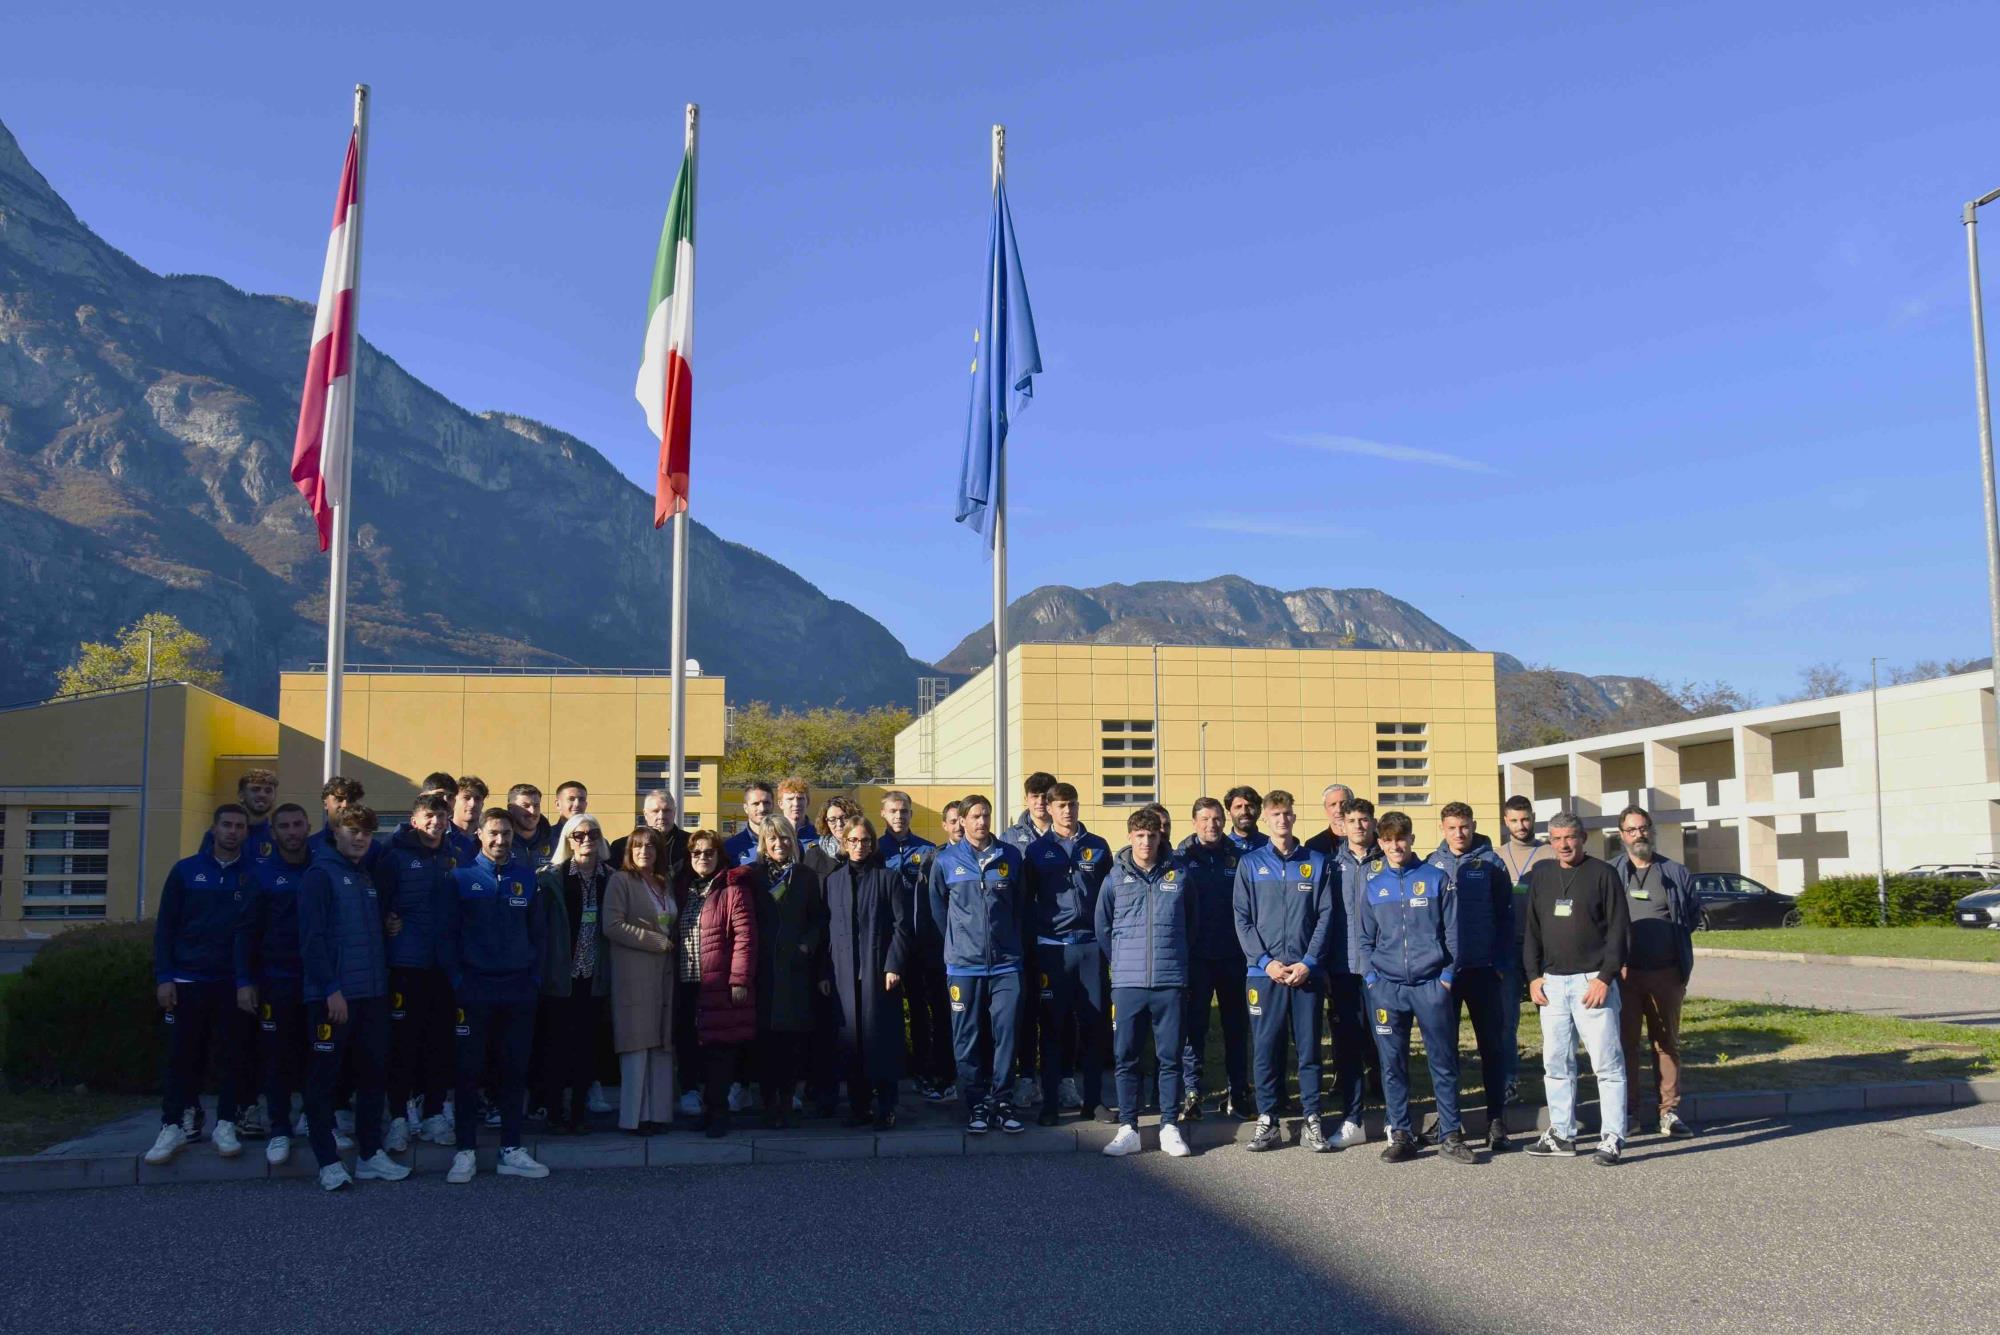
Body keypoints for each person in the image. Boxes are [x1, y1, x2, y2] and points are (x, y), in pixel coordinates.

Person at [299, 806, 409, 1191]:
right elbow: (311, 939)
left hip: (372, 995)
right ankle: (327, 1161)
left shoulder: (365, 876)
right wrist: (331, 989)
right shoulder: (319, 875)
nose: (360, 838)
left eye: (366, 832)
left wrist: (389, 924)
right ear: (335, 832)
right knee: (323, 1081)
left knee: (373, 1075)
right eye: (352, 830)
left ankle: (369, 1156)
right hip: (333, 998)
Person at [441, 807, 550, 1182]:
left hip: (518, 989)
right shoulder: (460, 877)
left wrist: (534, 978)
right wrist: (458, 980)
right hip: (474, 989)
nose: (500, 840)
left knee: (514, 1070)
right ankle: (465, 1151)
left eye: (506, 834)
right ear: (480, 835)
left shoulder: (527, 878)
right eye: (493, 833)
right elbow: (447, 935)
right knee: (468, 1071)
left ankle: (511, 1149)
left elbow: (539, 934)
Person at [1359, 811, 1474, 1165]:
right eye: (1388, 839)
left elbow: (1453, 933)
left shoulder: (1435, 878)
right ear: (1380, 843)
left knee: (1443, 1062)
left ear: (1411, 839)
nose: (1395, 845)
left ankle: (1451, 1135)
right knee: (1392, 1065)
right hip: (1387, 988)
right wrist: (1372, 980)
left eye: (1401, 838)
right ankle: (1401, 1135)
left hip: (1430, 985)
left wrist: (1446, 977)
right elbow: (1364, 939)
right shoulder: (1373, 885)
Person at [146, 804, 256, 1166]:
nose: (232, 831)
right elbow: (166, 928)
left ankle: (226, 1124)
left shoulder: (252, 875)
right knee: (182, 1057)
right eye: (227, 825)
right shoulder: (185, 871)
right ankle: (173, 1125)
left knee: (232, 1056)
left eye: (239, 826)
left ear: (246, 832)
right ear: (214, 828)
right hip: (187, 980)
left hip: (231, 982)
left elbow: (252, 933)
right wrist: (165, 977)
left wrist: (246, 980)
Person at [1523, 812, 1629, 1165]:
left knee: (1607, 1065)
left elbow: (1619, 930)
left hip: (1592, 983)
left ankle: (1612, 1137)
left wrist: (1605, 977)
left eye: (1570, 837)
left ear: (1583, 838)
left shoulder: (1603, 874)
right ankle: (1561, 1133)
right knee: (1556, 1064)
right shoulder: (1542, 875)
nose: (1564, 845)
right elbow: (1531, 929)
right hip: (1551, 984)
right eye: (1556, 838)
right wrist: (1533, 976)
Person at [1231, 789, 1333, 1153]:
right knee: (1266, 1048)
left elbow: (1325, 916)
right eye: (1275, 814)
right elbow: (1242, 919)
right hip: (1264, 974)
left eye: (1287, 813)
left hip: (1306, 973)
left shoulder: (1316, 862)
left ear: (1294, 817)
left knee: (1308, 1049)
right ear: (1266, 819)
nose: (1282, 819)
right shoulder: (1250, 864)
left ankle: (1312, 1118)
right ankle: (1268, 1119)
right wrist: (1265, 962)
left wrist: (1309, 962)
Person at [926, 793, 1030, 1134]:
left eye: (986, 815)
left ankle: (1002, 1100)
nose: (981, 821)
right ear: (961, 821)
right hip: (963, 967)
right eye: (974, 816)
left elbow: (1020, 907)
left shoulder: (1010, 856)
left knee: (1006, 1035)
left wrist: (1009, 943)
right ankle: (976, 1104)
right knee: (966, 1038)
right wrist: (959, 943)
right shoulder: (945, 860)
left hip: (1006, 965)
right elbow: (938, 911)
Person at [1096, 806, 1193, 1158]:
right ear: (1130, 837)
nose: (1146, 842)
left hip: (1169, 981)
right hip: (1128, 983)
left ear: (1159, 837)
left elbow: (1192, 924)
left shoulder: (1180, 875)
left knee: (1170, 1057)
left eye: (1151, 836)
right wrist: (1122, 961)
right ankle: (1129, 1128)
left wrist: (1177, 959)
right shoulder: (1114, 879)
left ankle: (1169, 1126)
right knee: (1126, 1056)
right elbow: (1103, 927)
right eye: (1139, 836)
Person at [727, 814, 826, 1129]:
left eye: (785, 837)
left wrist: (807, 946)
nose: (779, 843)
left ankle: (787, 1099)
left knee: (792, 1041)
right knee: (765, 1041)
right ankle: (769, 1103)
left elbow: (818, 919)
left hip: (796, 970)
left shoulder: (806, 876)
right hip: (764, 971)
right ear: (763, 843)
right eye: (773, 838)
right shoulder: (752, 877)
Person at [1020, 782, 1111, 1124]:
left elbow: (1110, 899)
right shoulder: (1036, 851)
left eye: (1072, 804)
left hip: (1090, 946)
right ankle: (1051, 1105)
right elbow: (1026, 901)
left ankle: (1094, 1101)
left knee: (1093, 1026)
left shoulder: (1097, 846)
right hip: (1052, 949)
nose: (1067, 811)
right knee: (1052, 1027)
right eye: (1060, 805)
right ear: (1049, 809)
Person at [1428, 802, 1515, 1151]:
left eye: (1464, 826)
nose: (1459, 833)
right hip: (1446, 974)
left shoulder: (1491, 863)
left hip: (1484, 970)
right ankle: (1448, 1120)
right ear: (1442, 828)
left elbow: (1507, 916)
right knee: (1444, 1051)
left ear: (1474, 826)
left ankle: (1496, 1120)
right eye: (1452, 827)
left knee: (1491, 1048)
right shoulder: (1431, 865)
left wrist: (1500, 963)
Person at [1610, 805, 1700, 1138]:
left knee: (1666, 1043)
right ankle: (1630, 1113)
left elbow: (1690, 917)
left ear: (1652, 830)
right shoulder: (1611, 872)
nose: (1639, 835)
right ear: (1622, 835)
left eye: (1644, 828)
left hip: (1667, 973)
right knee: (1626, 1045)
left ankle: (1669, 1112)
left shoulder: (1675, 872)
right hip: (1625, 975)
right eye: (1631, 830)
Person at [379, 792, 460, 1151]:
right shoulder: (394, 855)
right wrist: (387, 922)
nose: (435, 822)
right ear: (414, 821)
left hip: (443, 965)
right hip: (406, 964)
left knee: (439, 1042)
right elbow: (379, 903)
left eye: (441, 815)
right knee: (403, 1043)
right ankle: (398, 1115)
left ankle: (434, 1113)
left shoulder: (455, 855)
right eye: (429, 815)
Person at [823, 817, 914, 1129]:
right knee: (851, 1043)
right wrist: (825, 973)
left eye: (864, 840)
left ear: (873, 843)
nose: (859, 846)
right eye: (853, 840)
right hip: (843, 975)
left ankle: (886, 1107)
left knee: (881, 1041)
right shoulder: (833, 881)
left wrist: (894, 965)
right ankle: (858, 1107)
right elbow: (826, 930)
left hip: (879, 973)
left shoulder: (888, 878)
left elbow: (902, 926)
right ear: (844, 843)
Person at [236, 802, 312, 1166]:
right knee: (278, 1058)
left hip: (318, 982)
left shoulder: (322, 869)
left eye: (298, 825)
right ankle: (280, 1128)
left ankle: (316, 1121)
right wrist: (244, 981)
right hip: (275, 981)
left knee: (319, 1056)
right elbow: (245, 933)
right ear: (273, 832)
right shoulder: (261, 874)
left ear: (308, 827)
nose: (292, 832)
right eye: (285, 826)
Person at [536, 813, 613, 1134]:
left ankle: (579, 1114)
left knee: (587, 1048)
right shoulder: (551, 878)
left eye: (592, 834)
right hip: (560, 976)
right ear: (568, 840)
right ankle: (554, 1112)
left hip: (594, 977)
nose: (586, 840)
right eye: (578, 835)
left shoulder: (612, 878)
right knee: (556, 1047)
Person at [604, 825, 679, 1135]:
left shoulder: (664, 882)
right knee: (636, 1045)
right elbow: (612, 925)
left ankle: (658, 1115)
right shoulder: (620, 881)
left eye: (650, 846)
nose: (644, 851)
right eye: (637, 846)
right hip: (633, 974)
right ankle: (634, 1118)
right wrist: (654, 941)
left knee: (661, 1045)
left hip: (664, 974)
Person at [1180, 797, 1252, 1120]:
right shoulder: (1182, 858)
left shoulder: (1240, 858)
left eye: (1217, 819)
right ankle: (1191, 1092)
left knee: (1235, 1028)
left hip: (1233, 957)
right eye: (1205, 819)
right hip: (1196, 958)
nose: (1212, 825)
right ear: (1194, 823)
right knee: (1193, 1028)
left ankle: (1238, 1091)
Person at [879, 792, 951, 1102]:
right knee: (886, 1014)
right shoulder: (875, 850)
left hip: (923, 944)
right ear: (883, 813)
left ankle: (928, 1071)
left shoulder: (928, 851)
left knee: (925, 1011)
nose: (899, 816)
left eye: (905, 811)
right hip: (888, 946)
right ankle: (888, 1073)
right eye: (894, 811)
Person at [688, 830, 757, 1136]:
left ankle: (719, 1114)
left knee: (720, 1052)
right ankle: (708, 1109)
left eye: (708, 852)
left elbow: (745, 937)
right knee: (701, 1053)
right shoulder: (688, 888)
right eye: (696, 853)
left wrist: (739, 979)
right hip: (691, 981)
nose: (702, 858)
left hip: (721, 982)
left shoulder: (732, 889)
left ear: (719, 856)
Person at [1317, 790, 1375, 1150]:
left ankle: (1397, 1121)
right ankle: (1353, 1118)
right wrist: (1323, 965)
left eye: (1363, 820)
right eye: (1351, 820)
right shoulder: (1330, 865)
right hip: (1342, 970)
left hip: (1381, 971)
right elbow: (1322, 918)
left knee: (1389, 1045)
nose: (1357, 826)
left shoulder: (1387, 861)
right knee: (1349, 1046)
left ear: (1373, 822)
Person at [1494, 794, 1550, 1102]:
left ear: (1533, 818)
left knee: (1553, 1019)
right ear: (1506, 822)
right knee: (1506, 1020)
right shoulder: (1495, 856)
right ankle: (1508, 1080)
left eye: (1525, 819)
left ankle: (1557, 1078)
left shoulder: (1550, 852)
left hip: (1544, 950)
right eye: (1514, 820)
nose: (1521, 825)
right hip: (1507, 949)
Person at [609, 789, 688, 887]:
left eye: (666, 810)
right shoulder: (622, 846)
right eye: (655, 811)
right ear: (645, 814)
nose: (661, 816)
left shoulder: (690, 844)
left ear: (674, 812)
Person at [1001, 771, 1058, 853]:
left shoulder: (1069, 833)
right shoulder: (1009, 837)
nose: (1040, 802)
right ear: (1026, 799)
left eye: (1045, 796)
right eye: (1035, 796)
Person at [309, 777, 365, 856]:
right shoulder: (310, 846)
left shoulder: (371, 848)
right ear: (325, 803)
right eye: (339, 799)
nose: (345, 805)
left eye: (351, 800)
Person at [723, 781, 774, 866]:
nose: (762, 808)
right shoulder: (730, 846)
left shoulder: (784, 844)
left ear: (773, 805)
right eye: (756, 803)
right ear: (746, 808)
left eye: (766, 803)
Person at [507, 784, 556, 869]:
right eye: (525, 806)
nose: (532, 811)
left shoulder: (555, 842)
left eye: (536, 806)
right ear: (511, 808)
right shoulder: (501, 843)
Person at [447, 777, 489, 865]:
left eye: (477, 799)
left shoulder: (489, 837)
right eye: (466, 798)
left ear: (482, 804)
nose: (472, 804)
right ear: (454, 801)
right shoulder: (441, 834)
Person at [1222, 785, 1269, 853]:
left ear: (1259, 811)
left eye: (1249, 806)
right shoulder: (1221, 848)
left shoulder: (1272, 847)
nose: (1244, 812)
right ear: (1229, 813)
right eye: (1238, 807)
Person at [776, 778, 819, 843]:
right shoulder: (772, 834)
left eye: (800, 799)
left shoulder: (820, 835)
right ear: (781, 804)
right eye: (790, 799)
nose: (796, 804)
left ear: (807, 802)